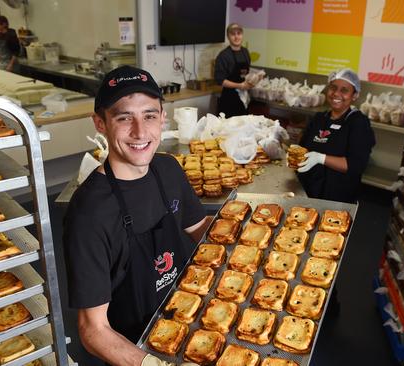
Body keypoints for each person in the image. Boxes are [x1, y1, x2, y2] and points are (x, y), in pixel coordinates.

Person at [63, 66, 210, 366]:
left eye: (149, 116)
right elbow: (93, 329)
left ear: (162, 118)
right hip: (135, 350)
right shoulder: (89, 213)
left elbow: (203, 231)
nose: (140, 132)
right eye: (124, 117)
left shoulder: (168, 169)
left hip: (193, 323)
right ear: (100, 123)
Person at [295, 69, 376, 204]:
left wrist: (321, 158)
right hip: (308, 190)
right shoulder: (319, 118)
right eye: (333, 88)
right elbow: (303, 148)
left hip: (337, 196)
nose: (336, 94)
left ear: (354, 95)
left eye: (344, 90)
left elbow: (355, 165)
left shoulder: (358, 123)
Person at [214, 23, 253, 117]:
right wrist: (240, 85)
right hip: (229, 100)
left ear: (242, 35)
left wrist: (253, 80)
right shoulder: (223, 56)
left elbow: (246, 73)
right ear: (228, 36)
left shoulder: (245, 52)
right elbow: (220, 80)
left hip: (243, 99)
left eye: (239, 33)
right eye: (233, 34)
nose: (236, 37)